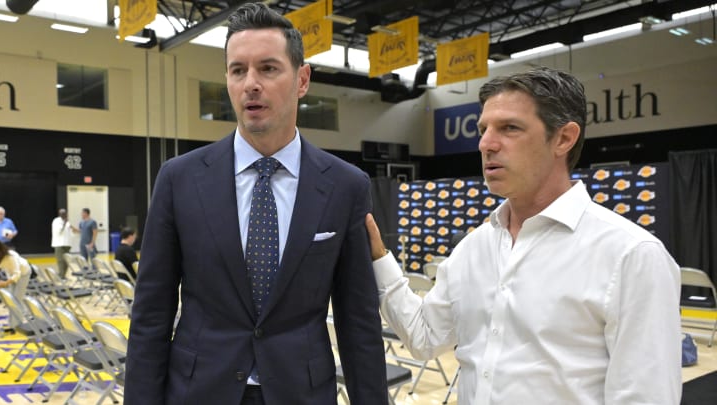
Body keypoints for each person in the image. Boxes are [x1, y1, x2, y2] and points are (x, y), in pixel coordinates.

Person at [365, 67, 682, 404]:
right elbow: (425, 336)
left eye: (510, 128)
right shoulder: (475, 248)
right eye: (483, 129)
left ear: (563, 138)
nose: (486, 143)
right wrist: (379, 257)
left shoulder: (632, 255)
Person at [124, 3, 387, 405]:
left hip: (301, 393)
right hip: (199, 391)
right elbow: (151, 316)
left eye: (268, 68)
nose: (251, 83)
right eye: (237, 70)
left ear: (302, 80)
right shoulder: (179, 179)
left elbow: (358, 322)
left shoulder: (345, 185)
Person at [0, 240, 32, 330]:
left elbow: (17, 274)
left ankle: (16, 326)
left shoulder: (10, 257)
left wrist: (5, 283)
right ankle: (12, 323)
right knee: (11, 300)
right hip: (11, 275)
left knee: (17, 300)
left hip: (23, 274)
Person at [51, 208, 77, 278]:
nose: (64, 215)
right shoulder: (56, 221)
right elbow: (59, 231)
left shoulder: (68, 222)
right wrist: (65, 223)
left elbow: (70, 232)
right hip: (59, 244)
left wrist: (74, 231)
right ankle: (61, 276)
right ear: (60, 214)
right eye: (62, 214)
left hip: (67, 244)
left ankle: (63, 275)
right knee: (60, 261)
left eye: (65, 213)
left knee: (67, 261)